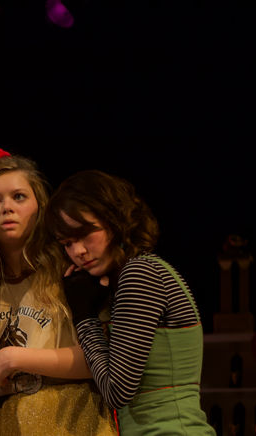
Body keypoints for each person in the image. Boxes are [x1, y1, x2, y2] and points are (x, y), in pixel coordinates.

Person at [0, 148, 117, 436]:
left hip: (75, 420)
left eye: (19, 197)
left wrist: (15, 358)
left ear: (41, 204)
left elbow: (101, 360)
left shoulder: (70, 270)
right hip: (13, 424)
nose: (6, 208)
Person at [48, 170, 215, 435]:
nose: (78, 251)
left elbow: (117, 391)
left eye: (85, 234)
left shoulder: (140, 273)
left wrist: (84, 317)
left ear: (115, 220)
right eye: (67, 243)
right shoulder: (135, 274)